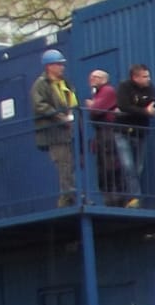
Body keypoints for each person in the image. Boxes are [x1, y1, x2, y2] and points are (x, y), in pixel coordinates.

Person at [30, 49, 78, 207]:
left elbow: (71, 100)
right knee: (63, 163)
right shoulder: (41, 84)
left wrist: (71, 115)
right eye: (58, 64)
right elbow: (39, 105)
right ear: (49, 66)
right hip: (53, 132)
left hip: (68, 130)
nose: (62, 67)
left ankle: (70, 194)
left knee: (70, 163)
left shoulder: (65, 82)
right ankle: (67, 197)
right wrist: (59, 117)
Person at [112, 64, 155, 206]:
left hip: (140, 132)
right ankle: (135, 198)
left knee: (138, 167)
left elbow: (152, 104)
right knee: (128, 166)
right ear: (135, 77)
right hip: (122, 132)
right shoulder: (124, 87)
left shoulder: (150, 88)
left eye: (148, 76)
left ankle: (130, 196)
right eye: (144, 76)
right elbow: (123, 105)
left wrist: (136, 107)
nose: (148, 79)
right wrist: (143, 110)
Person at [85, 69, 124, 205]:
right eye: (91, 78)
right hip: (101, 134)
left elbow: (96, 110)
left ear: (104, 79)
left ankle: (116, 198)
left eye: (95, 77)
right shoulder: (97, 93)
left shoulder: (107, 91)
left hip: (108, 133)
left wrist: (91, 105)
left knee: (111, 165)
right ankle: (109, 197)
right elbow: (94, 113)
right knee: (103, 166)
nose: (92, 80)